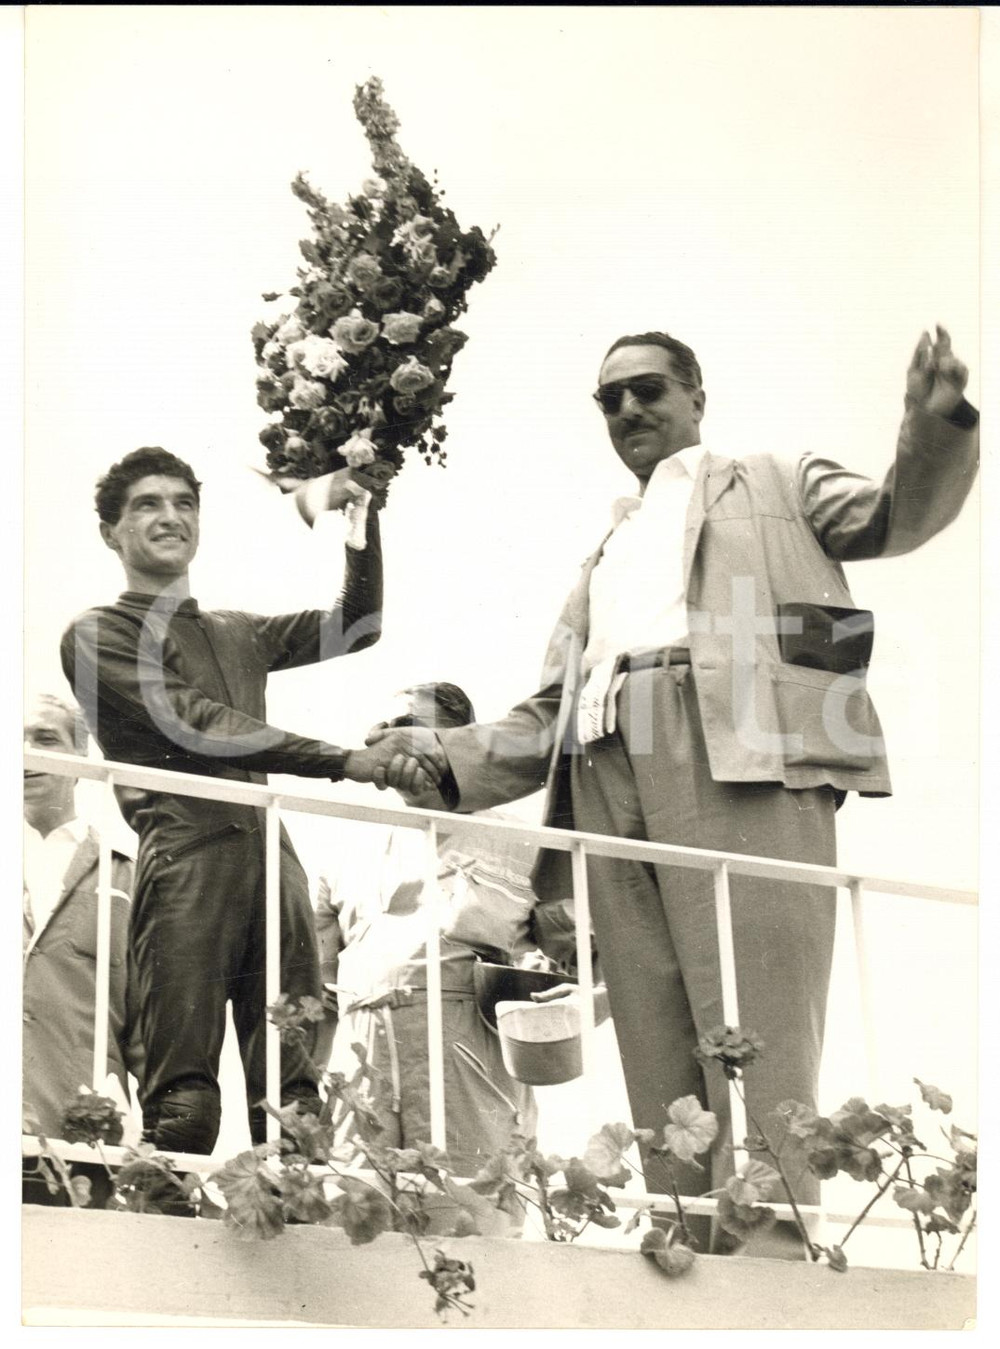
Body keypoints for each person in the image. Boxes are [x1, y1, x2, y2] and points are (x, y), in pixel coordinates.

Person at [364, 326, 979, 1250]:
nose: (627, 409)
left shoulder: (772, 478)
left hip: (739, 747)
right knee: (651, 1020)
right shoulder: (606, 548)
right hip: (606, 757)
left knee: (757, 1009)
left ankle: (772, 1240)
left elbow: (894, 514)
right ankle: (685, 1232)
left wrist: (935, 424)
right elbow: (546, 712)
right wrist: (443, 751)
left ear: (696, 395)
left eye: (647, 388)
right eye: (608, 399)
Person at [59, 446, 425, 1156]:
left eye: (183, 503)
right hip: (186, 861)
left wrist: (362, 511)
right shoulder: (99, 631)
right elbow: (191, 720)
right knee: (184, 1104)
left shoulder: (237, 629)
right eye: (147, 504)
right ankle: (169, 1215)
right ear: (111, 532)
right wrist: (344, 760)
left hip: (273, 865)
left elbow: (358, 623)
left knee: (295, 1101)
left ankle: (295, 1217)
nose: (170, 516)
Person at [316, 683, 544, 1198]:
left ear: (460, 739)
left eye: (406, 726)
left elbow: (583, 961)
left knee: (474, 1213)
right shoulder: (345, 848)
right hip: (363, 1052)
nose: (383, 739)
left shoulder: (528, 843)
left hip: (468, 1052)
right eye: (381, 728)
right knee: (354, 1210)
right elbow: (319, 980)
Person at [22, 694, 142, 1207]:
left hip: (80, 1142)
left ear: (81, 757)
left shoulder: (124, 875)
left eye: (45, 739)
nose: (27, 752)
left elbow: (146, 1026)